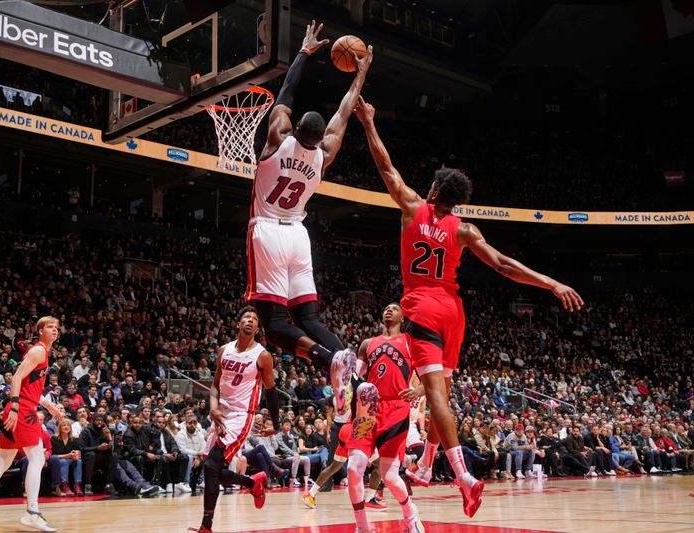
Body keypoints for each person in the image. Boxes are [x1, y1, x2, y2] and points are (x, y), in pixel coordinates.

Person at [353, 97, 584, 518]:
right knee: (445, 388)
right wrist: (551, 282)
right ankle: (424, 465)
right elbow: (503, 265)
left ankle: (463, 475)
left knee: (436, 394)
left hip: (421, 304)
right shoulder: (465, 229)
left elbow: (385, 166)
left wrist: (369, 122)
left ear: (436, 191)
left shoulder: (411, 207)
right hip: (454, 310)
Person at [246, 21, 373, 416]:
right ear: (319, 138)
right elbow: (346, 108)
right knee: (309, 316)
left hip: (267, 230)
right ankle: (353, 372)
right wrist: (362, 71)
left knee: (275, 326)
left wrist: (303, 51)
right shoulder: (325, 154)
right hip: (299, 234)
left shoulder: (278, 137)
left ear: (296, 127)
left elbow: (285, 94)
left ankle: (326, 359)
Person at [0, 316, 65, 532]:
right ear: (40, 331)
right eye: (50, 327)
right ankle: (32, 512)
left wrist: (50, 408)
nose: (55, 330)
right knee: (37, 458)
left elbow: (31, 388)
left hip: (20, 409)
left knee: (4, 460)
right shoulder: (38, 351)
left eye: (57, 327)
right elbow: (16, 378)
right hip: (22, 411)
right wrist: (16, 408)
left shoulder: (43, 353)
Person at [192, 307, 278, 533]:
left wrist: (276, 424)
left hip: (242, 416)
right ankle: (253, 482)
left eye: (254, 319)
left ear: (257, 329)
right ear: (238, 324)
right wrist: (213, 408)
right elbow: (214, 385)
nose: (250, 321)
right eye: (246, 318)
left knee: (211, 466)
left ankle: (206, 527)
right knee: (212, 471)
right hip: (221, 413)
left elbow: (271, 391)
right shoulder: (224, 350)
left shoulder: (263, 356)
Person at [345, 303, 425, 533]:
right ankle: (362, 526)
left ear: (402, 317)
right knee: (353, 467)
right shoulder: (368, 344)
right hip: (367, 407)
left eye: (395, 308)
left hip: (396, 408)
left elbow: (429, 379)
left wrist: (417, 391)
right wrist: (344, 390)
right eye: (387, 308)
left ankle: (410, 513)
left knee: (389, 475)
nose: (389, 310)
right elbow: (355, 378)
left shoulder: (411, 343)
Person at [49, 418, 83, 497]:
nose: (66, 427)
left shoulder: (74, 439)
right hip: (59, 461)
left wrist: (77, 455)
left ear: (70, 428)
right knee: (64, 461)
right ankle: (64, 486)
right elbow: (54, 455)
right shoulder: (54, 439)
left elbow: (78, 451)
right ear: (60, 428)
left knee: (79, 461)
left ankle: (77, 485)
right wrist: (68, 455)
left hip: (71, 459)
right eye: (63, 425)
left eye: (68, 425)